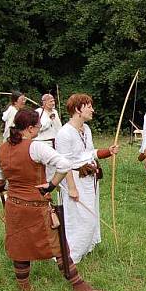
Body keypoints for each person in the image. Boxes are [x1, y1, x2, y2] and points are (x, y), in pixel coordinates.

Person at [0, 110, 105, 291]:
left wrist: (2, 187)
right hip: (36, 207)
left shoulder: (1, 149)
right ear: (30, 128)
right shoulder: (36, 148)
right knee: (58, 245)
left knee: (19, 246)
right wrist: (51, 185)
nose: (40, 129)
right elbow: (64, 164)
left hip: (13, 205)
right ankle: (79, 286)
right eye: (38, 126)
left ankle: (24, 286)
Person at [54, 94, 119, 264]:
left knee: (91, 214)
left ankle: (86, 246)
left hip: (89, 178)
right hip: (74, 179)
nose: (93, 110)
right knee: (79, 216)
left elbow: (88, 153)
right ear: (77, 109)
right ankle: (72, 253)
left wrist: (107, 151)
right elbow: (64, 163)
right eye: (89, 106)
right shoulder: (64, 133)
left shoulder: (86, 129)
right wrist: (72, 188)